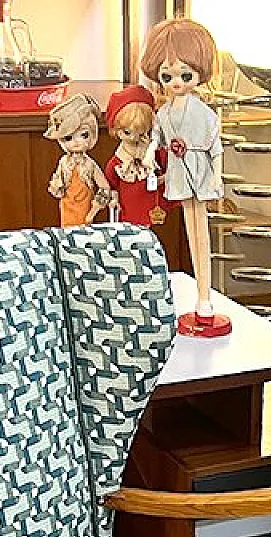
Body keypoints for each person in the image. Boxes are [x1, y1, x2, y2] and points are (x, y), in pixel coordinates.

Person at [141, 17, 231, 337]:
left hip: (200, 173)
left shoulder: (204, 113)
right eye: (167, 76)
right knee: (190, 231)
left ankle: (205, 298)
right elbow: (157, 137)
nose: (176, 82)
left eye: (185, 74)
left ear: (198, 74)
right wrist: (150, 153)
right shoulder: (164, 112)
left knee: (201, 231)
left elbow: (215, 147)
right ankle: (200, 296)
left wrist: (217, 178)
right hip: (179, 173)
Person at [104, 85, 170, 229]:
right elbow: (111, 182)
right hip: (127, 208)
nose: (134, 138)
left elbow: (163, 169)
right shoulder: (118, 162)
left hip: (152, 207)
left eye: (140, 133)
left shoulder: (152, 153)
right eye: (127, 132)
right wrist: (113, 198)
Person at [44, 93, 111, 228]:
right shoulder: (64, 162)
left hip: (85, 209)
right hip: (67, 207)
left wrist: (93, 211)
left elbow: (105, 187)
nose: (76, 143)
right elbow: (57, 186)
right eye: (68, 138)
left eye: (83, 135)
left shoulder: (89, 164)